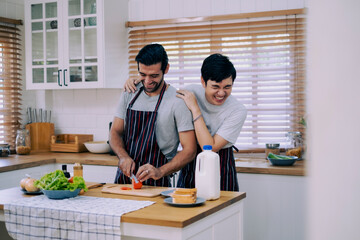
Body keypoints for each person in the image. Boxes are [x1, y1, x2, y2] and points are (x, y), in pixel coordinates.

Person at [124, 53, 247, 191]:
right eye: (215, 87)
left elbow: (209, 147)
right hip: (190, 163)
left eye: (227, 87)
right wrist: (137, 82)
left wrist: (195, 108)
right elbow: (162, 90)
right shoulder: (190, 91)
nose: (221, 93)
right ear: (203, 81)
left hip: (220, 166)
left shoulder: (237, 110)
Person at [110, 43, 197, 187]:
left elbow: (189, 150)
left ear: (166, 69)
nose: (148, 81)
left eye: (154, 75)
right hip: (124, 182)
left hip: (158, 183)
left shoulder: (177, 101)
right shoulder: (129, 92)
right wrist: (123, 157)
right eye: (142, 75)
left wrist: (160, 171)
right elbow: (115, 131)